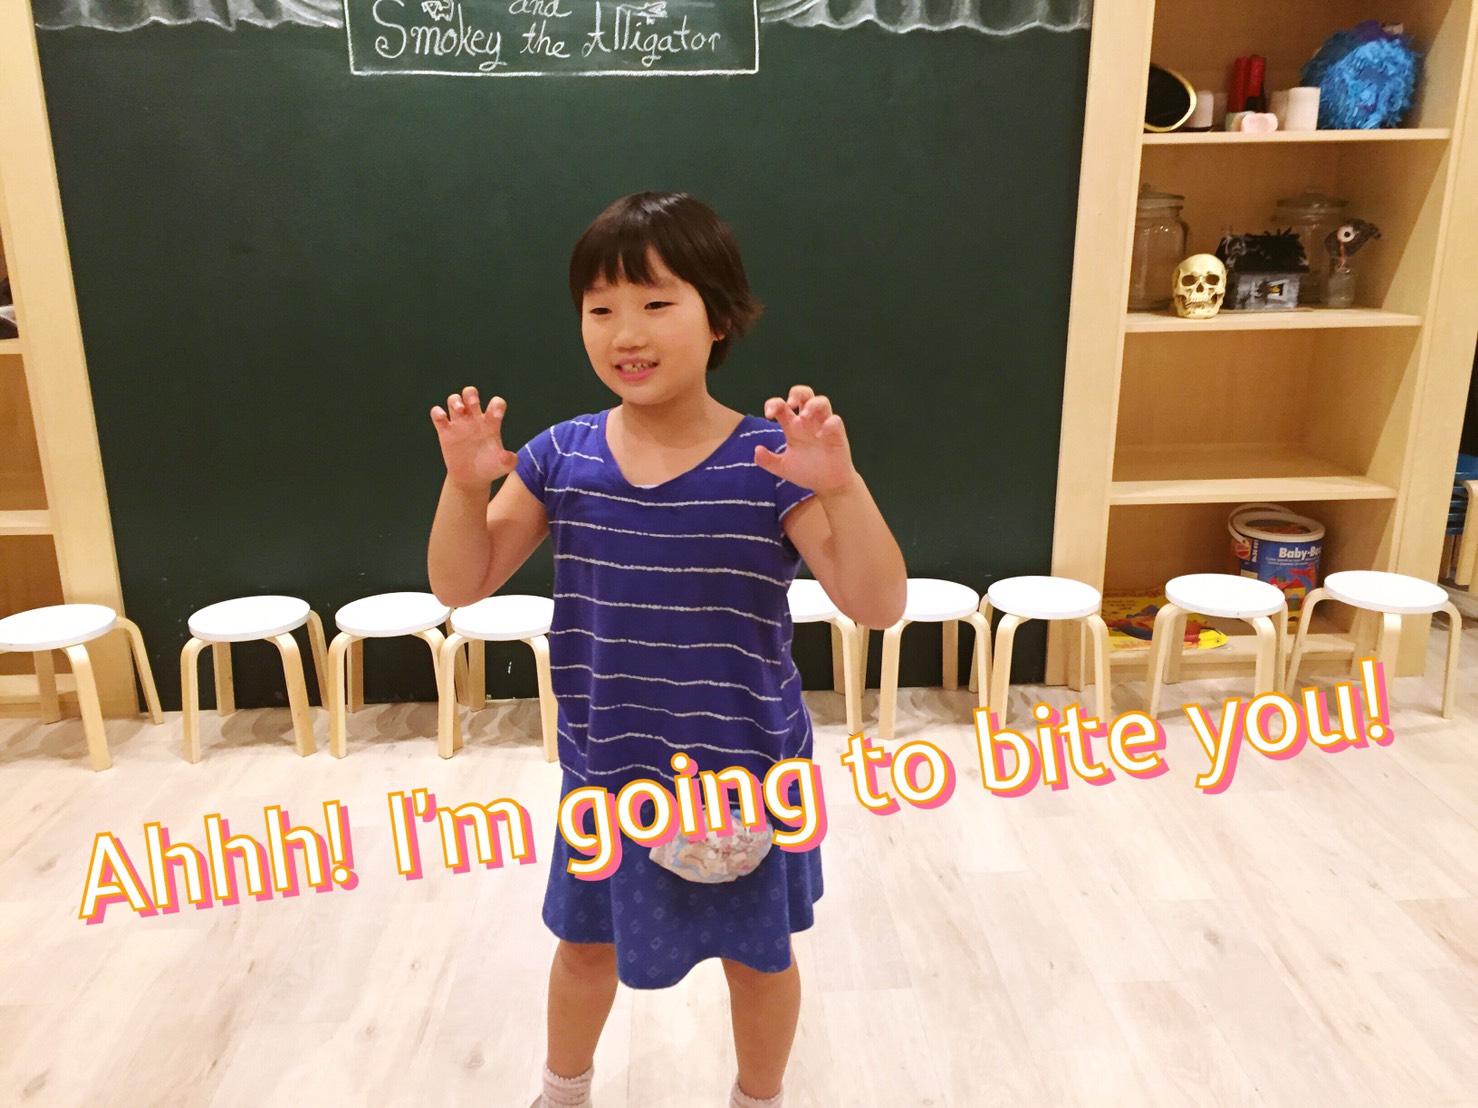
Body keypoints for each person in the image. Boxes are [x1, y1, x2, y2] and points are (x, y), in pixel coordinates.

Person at [427, 192, 906, 1108]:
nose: (626, 332)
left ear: (718, 317)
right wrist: (461, 485)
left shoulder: (769, 462)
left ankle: (758, 1097)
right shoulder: (562, 456)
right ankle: (562, 1092)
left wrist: (842, 488)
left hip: (745, 776)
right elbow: (462, 582)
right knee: (584, 948)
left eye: (655, 302)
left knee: (759, 960)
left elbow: (877, 604)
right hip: (610, 770)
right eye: (600, 308)